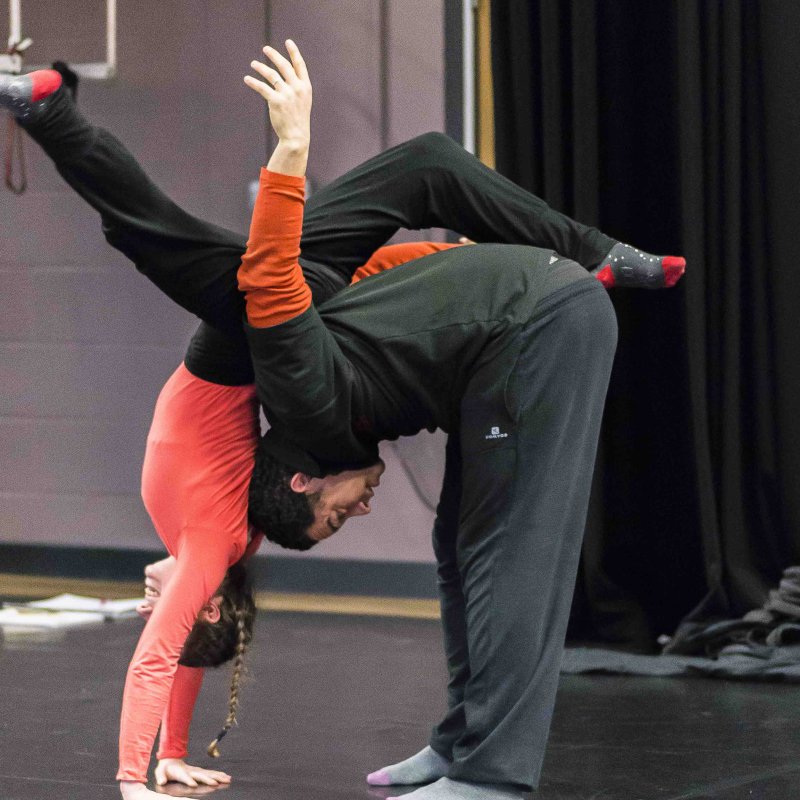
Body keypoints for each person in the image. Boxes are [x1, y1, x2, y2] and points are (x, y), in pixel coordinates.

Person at [2, 39, 682, 800]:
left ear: (303, 480)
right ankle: (596, 251)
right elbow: (188, 638)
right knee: (424, 164)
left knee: (152, 233)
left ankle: (51, 112)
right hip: (315, 300)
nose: (357, 512)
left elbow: (164, 655)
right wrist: (174, 751)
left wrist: (135, 780)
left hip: (243, 334)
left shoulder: (251, 491)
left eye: (332, 519)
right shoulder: (222, 536)